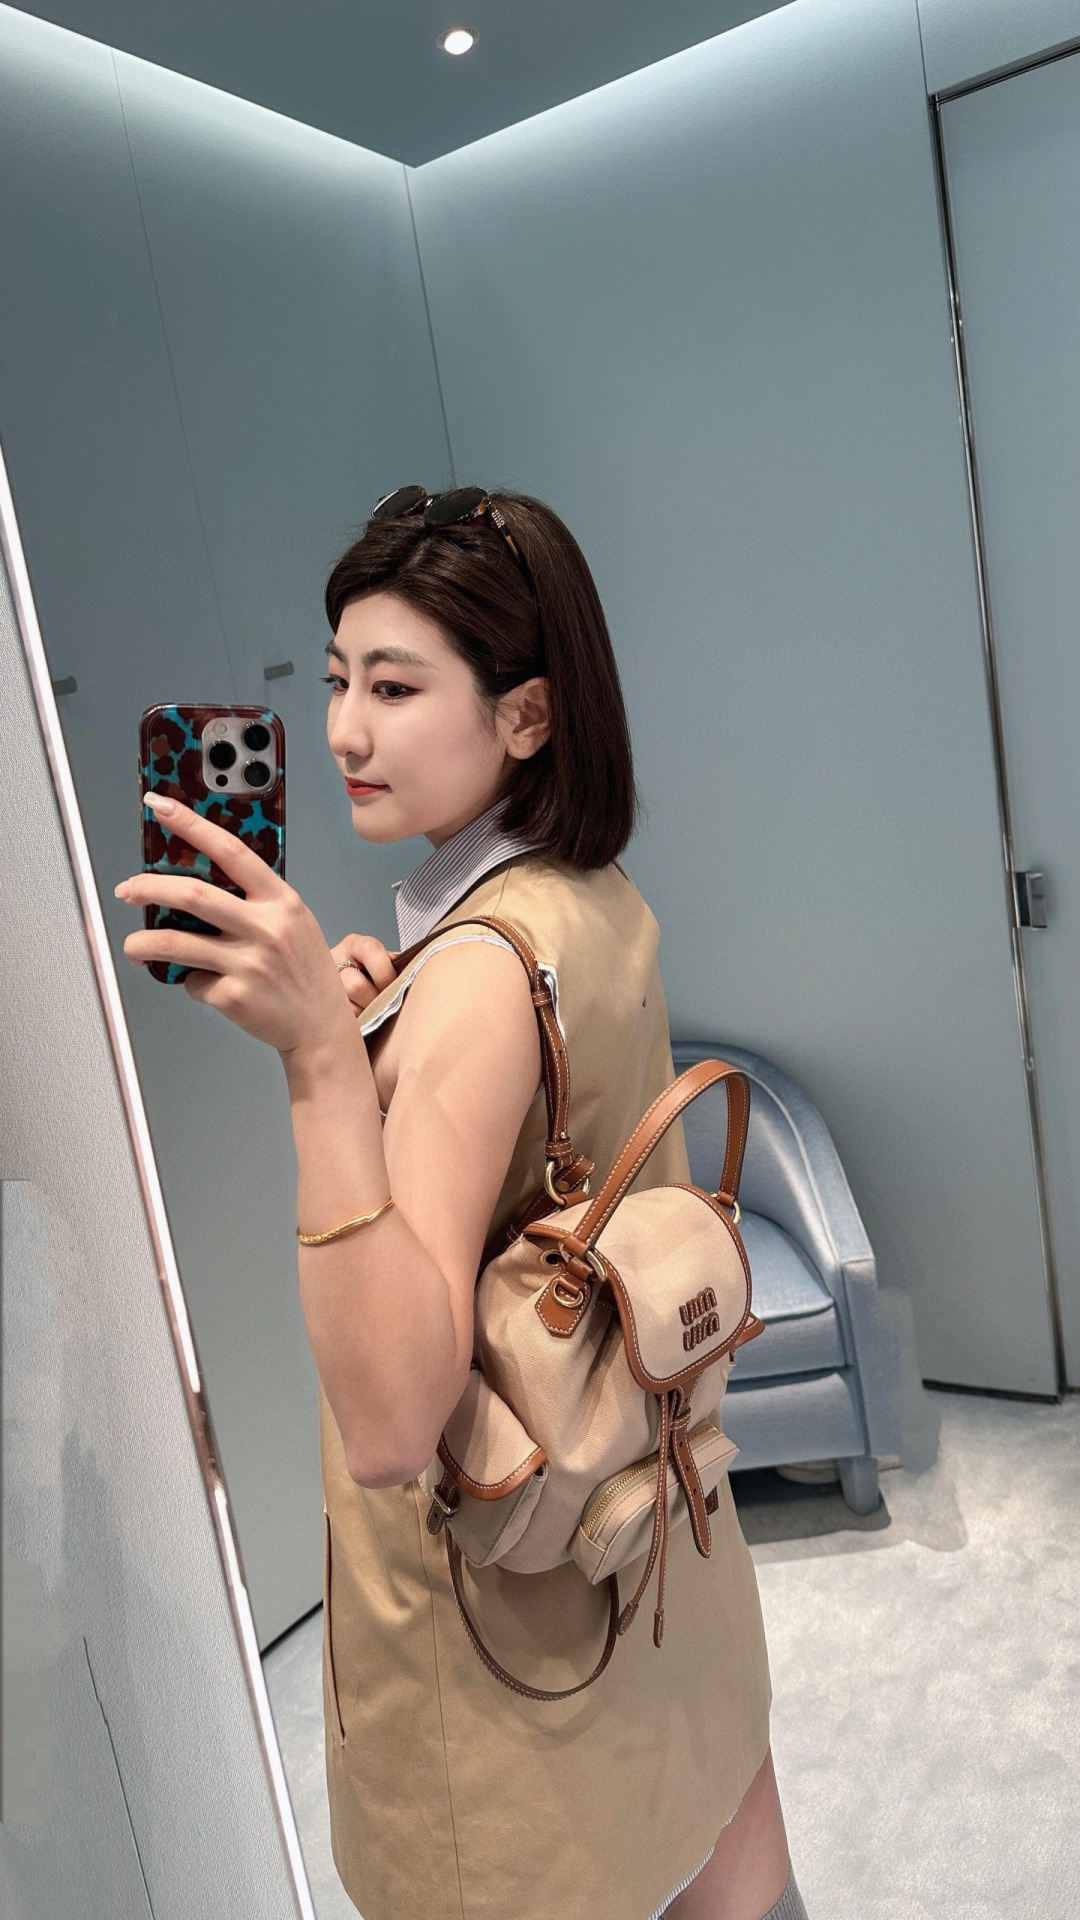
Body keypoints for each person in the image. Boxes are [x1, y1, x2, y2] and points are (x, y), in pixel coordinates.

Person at [119, 484, 808, 1920]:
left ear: (527, 715)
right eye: (334, 681)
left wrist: (323, 1064)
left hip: (514, 1629)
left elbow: (391, 1427)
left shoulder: (479, 971)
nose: (343, 732)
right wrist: (381, 1033)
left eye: (394, 686)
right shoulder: (589, 893)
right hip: (654, 1537)